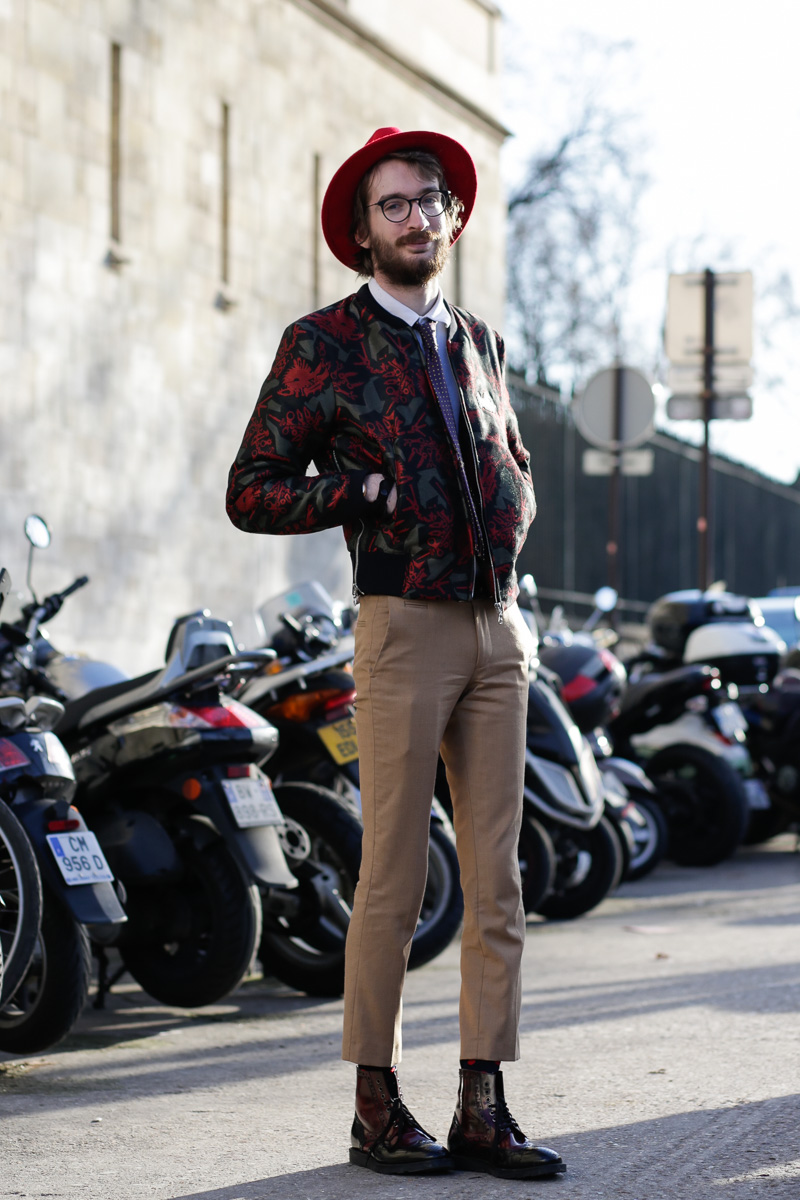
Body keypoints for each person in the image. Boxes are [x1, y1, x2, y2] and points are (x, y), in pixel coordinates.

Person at [226, 126, 565, 1180]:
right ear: (362, 231)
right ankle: (375, 1108)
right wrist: (358, 490)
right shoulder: (322, 344)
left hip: (498, 626)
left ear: (452, 217)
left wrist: (517, 508)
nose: (417, 218)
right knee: (394, 873)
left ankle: (482, 1105)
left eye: (430, 201)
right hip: (402, 624)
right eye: (394, 205)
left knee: (499, 879)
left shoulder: (480, 341)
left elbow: (509, 457)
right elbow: (251, 489)